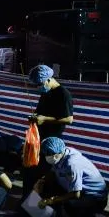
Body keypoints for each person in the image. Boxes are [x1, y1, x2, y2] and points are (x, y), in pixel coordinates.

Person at [33, 137, 108, 217]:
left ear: (57, 154)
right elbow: (52, 172)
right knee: (46, 187)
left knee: (69, 204)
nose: (46, 156)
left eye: (49, 154)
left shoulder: (72, 164)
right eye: (46, 154)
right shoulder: (62, 153)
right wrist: (41, 181)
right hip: (78, 190)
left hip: (94, 197)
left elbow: (76, 194)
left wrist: (52, 200)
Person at [22, 64, 74, 197]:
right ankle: (27, 202)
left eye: (39, 84)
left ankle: (39, 204)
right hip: (39, 139)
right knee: (29, 172)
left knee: (43, 175)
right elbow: (40, 112)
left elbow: (69, 119)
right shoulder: (45, 93)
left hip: (52, 141)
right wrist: (35, 117)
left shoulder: (63, 94)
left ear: (49, 79)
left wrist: (45, 119)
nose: (38, 87)